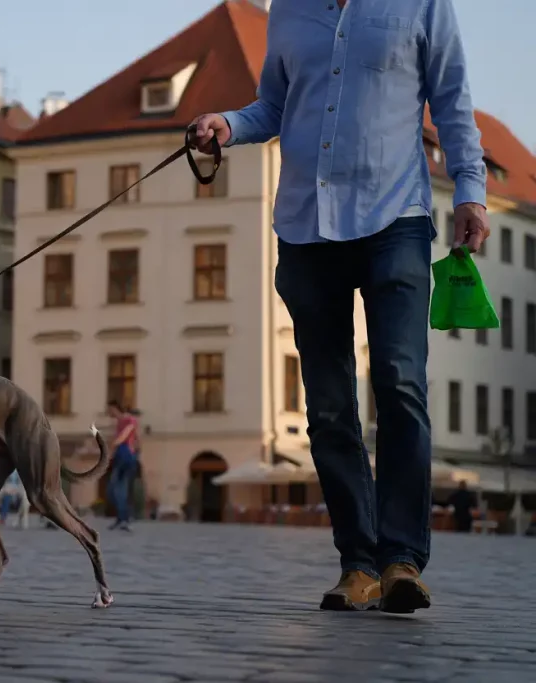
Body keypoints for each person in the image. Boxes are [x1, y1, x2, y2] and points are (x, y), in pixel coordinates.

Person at [191, 0, 488, 613]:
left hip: (395, 216)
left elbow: (452, 98)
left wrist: (471, 191)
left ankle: (401, 560)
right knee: (328, 407)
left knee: (399, 382)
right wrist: (227, 124)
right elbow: (274, 106)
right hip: (306, 225)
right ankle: (359, 564)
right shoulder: (288, 10)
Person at [106, 400, 139, 531]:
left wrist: (116, 442)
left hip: (126, 455)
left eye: (110, 410)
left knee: (120, 488)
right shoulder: (119, 422)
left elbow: (126, 434)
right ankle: (122, 518)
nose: (109, 412)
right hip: (120, 454)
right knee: (114, 489)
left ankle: (124, 519)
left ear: (115, 408)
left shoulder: (130, 420)